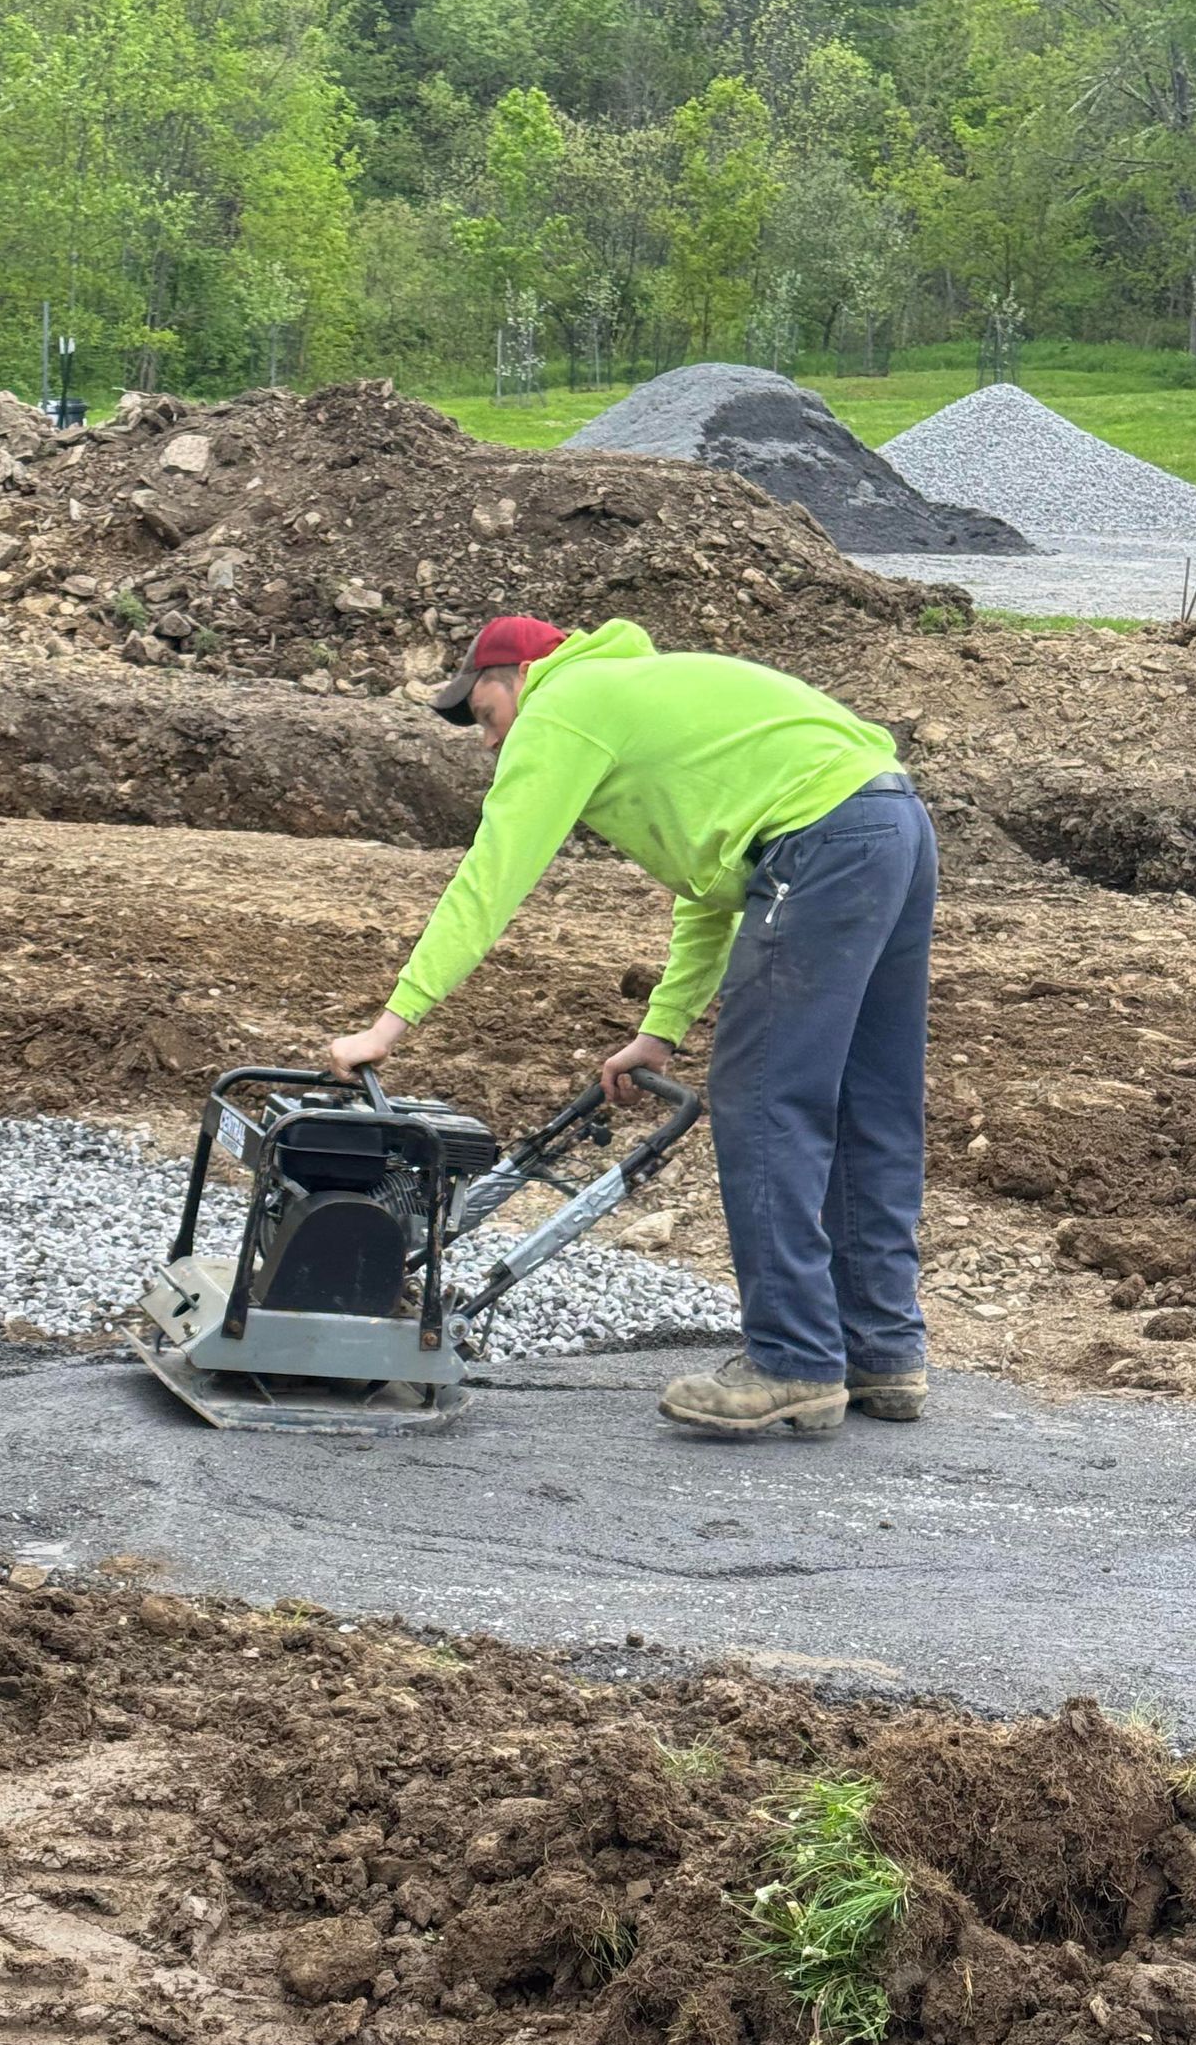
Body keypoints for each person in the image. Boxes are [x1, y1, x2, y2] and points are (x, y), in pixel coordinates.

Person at [326, 613, 937, 1438]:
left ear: (514, 678)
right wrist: (661, 1030)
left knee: (765, 1101)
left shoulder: (566, 705)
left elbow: (492, 877)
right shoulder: (637, 698)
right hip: (890, 823)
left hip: (822, 841)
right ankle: (883, 1351)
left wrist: (388, 1027)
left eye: (484, 715)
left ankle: (793, 1361)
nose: (486, 741)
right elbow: (715, 885)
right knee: (873, 1102)